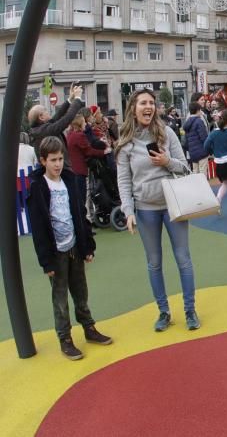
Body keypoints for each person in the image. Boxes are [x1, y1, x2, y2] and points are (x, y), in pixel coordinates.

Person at [116, 89, 198, 332]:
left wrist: (166, 162)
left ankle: (190, 310)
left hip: (173, 206)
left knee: (184, 260)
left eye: (151, 102)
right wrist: (128, 210)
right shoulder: (126, 142)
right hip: (145, 209)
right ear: (133, 108)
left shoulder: (167, 133)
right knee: (154, 263)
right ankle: (163, 312)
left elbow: (184, 167)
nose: (148, 106)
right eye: (143, 102)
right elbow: (124, 180)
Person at [27, 136, 113, 360]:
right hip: (56, 253)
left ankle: (89, 328)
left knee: (81, 292)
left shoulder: (70, 180)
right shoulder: (38, 188)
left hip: (74, 246)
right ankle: (65, 338)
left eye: (60, 159)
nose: (57, 164)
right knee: (60, 298)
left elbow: (79, 213)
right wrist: (46, 261)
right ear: (42, 161)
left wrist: (88, 245)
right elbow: (38, 227)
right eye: (53, 160)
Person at [28, 85, 85, 158]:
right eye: (45, 111)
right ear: (41, 117)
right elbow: (67, 119)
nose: (48, 112)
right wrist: (77, 98)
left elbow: (57, 116)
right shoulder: (44, 131)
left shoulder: (41, 130)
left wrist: (70, 99)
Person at [182, 102, 210, 173]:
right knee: (202, 173)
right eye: (200, 110)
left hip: (192, 152)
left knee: (195, 172)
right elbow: (204, 137)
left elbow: (187, 139)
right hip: (202, 151)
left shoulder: (187, 122)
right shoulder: (199, 121)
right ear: (198, 110)